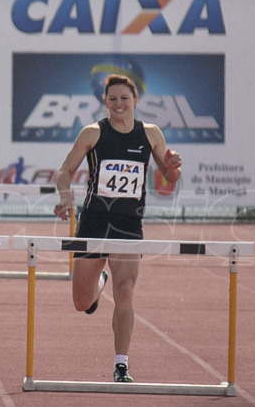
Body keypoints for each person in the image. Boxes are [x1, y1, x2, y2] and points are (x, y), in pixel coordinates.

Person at [53, 73, 182, 382]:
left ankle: (121, 364)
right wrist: (66, 196)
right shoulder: (92, 133)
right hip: (95, 220)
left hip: (129, 223)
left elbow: (168, 181)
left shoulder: (150, 134)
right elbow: (64, 170)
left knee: (126, 291)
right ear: (105, 102)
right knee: (81, 303)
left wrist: (173, 167)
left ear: (135, 100)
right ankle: (99, 284)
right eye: (113, 99)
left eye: (125, 98)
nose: (119, 104)